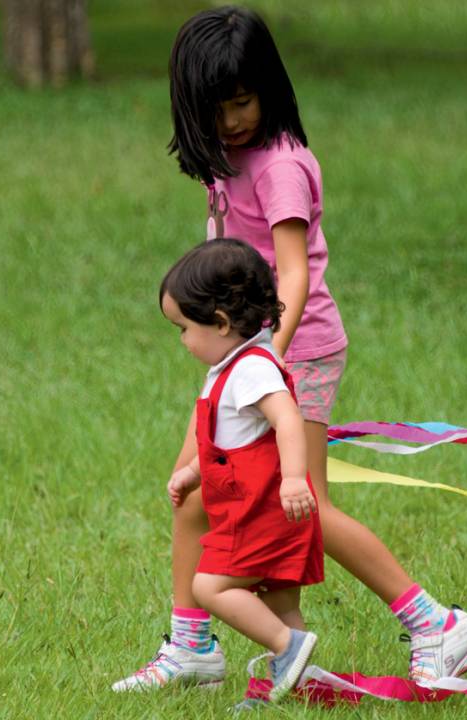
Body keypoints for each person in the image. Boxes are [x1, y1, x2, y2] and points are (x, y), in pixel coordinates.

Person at [112, 5, 467, 692]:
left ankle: (435, 622)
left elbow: (293, 274)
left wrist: (265, 362)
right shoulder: (225, 160)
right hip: (248, 356)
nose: (232, 121)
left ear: (270, 89)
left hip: (294, 352)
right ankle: (200, 645)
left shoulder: (280, 166)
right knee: (197, 493)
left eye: (243, 102)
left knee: (304, 500)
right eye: (217, 108)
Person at [124, 238, 323, 700]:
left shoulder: (252, 369)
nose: (182, 340)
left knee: (209, 585)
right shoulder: (235, 362)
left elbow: (288, 418)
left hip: (261, 513)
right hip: (274, 514)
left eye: (183, 328)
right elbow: (233, 439)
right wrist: (193, 472)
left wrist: (295, 477)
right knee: (279, 601)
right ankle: (299, 682)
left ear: (220, 322)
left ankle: (285, 646)